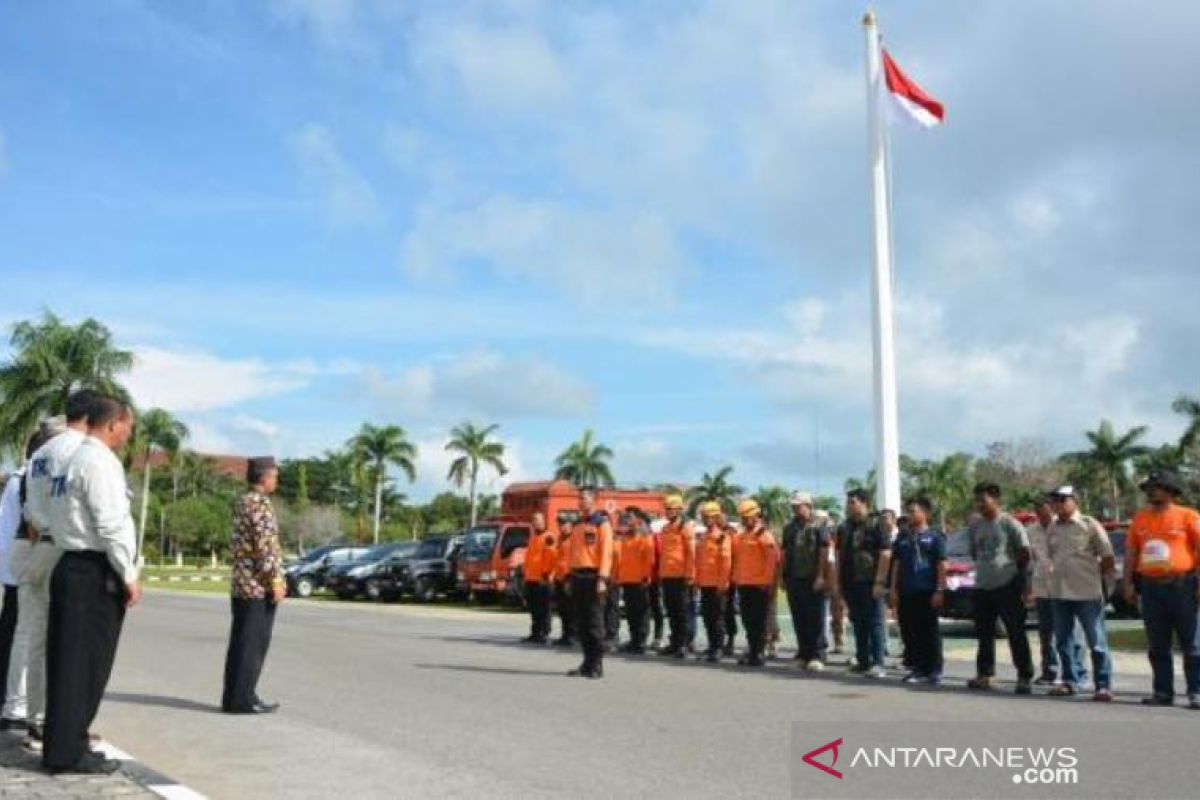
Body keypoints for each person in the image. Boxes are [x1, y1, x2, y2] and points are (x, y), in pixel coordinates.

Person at [43, 397, 140, 775]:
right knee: (84, 665)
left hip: (72, 565)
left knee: (70, 661)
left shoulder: (71, 460)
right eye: (128, 425)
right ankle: (68, 751)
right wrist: (129, 575)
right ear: (113, 424)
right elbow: (111, 523)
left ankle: (66, 743)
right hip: (92, 571)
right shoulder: (99, 462)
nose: (129, 433)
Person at [9, 392, 96, 748]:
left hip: (38, 546)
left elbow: (29, 512)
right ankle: (57, 725)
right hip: (64, 549)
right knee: (65, 643)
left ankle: (35, 720)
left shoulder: (38, 457)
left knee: (34, 639)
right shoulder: (81, 452)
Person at [1121, 471, 1200, 708]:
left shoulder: (1188, 516)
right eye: (1148, 488)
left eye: (1156, 487)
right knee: (1157, 644)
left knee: (1193, 643)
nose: (1151, 492)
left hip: (1183, 585)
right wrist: (1127, 583)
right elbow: (1131, 553)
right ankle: (1162, 692)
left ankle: (1196, 691)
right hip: (1151, 588)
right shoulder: (1140, 519)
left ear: (1170, 490)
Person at [222, 457, 285, 714]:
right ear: (264, 477)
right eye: (275, 476)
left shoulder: (243, 501)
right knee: (253, 644)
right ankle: (243, 698)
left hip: (241, 585)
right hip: (257, 586)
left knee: (240, 643)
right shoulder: (259, 504)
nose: (277, 480)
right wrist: (276, 580)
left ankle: (235, 695)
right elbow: (265, 546)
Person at [1044, 485, 1116, 701]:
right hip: (1059, 592)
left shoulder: (1089, 524)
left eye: (1062, 499)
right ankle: (1069, 681)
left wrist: (1101, 583)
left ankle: (1102, 685)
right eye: (1054, 500)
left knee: (1097, 641)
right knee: (1063, 640)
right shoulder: (1053, 528)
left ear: (1074, 500)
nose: (1057, 503)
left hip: (1087, 593)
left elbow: (1108, 556)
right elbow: (1052, 556)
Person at [966, 482, 1035, 695]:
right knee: (984, 633)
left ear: (996, 499)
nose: (980, 505)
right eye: (977, 501)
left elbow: (1024, 553)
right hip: (982, 586)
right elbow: (975, 553)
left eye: (983, 500)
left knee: (1015, 632)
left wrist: (1018, 580)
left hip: (1007, 585)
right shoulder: (975, 526)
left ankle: (1024, 676)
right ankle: (984, 674)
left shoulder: (1010, 524)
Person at [888, 497, 946, 685]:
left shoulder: (935, 537)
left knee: (930, 631)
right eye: (908, 511)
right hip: (907, 590)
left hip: (927, 590)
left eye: (913, 511)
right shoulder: (903, 537)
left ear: (925, 513)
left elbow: (941, 564)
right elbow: (896, 564)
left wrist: (939, 589)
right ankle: (918, 668)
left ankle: (934, 669)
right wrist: (893, 589)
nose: (910, 515)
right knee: (912, 631)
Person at [837, 489, 893, 678]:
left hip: (871, 581)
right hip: (850, 582)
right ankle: (863, 661)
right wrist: (838, 582)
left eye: (852, 502)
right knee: (858, 622)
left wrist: (880, 581)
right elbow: (839, 556)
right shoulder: (844, 527)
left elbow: (886, 553)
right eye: (848, 502)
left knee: (875, 622)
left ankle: (878, 663)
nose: (849, 505)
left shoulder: (877, 524)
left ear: (863, 503)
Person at [781, 491, 834, 671]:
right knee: (799, 617)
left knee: (815, 618)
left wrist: (821, 576)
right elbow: (785, 553)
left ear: (808, 506)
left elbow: (824, 552)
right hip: (794, 578)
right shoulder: (789, 528)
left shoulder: (819, 526)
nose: (795, 509)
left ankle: (817, 654)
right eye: (793, 506)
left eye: (798, 505)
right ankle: (803, 653)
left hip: (813, 577)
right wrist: (783, 576)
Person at [566, 491, 613, 679]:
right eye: (579, 498)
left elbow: (606, 553)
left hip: (594, 576)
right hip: (578, 576)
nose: (580, 502)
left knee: (594, 623)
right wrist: (569, 577)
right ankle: (586, 663)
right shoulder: (577, 526)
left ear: (594, 501)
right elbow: (573, 554)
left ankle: (597, 664)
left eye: (583, 499)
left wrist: (602, 579)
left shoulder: (602, 524)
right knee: (582, 623)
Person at [731, 499, 780, 667]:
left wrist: (767, 582)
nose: (744, 520)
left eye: (746, 517)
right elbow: (739, 559)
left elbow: (771, 561)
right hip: (744, 584)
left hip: (759, 586)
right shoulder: (742, 535)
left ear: (755, 515)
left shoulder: (764, 535)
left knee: (759, 621)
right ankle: (752, 650)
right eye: (742, 517)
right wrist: (737, 578)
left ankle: (758, 652)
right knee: (747, 620)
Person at [1027, 494, 1068, 685]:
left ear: (1051, 508)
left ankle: (1071, 672)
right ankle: (1049, 671)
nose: (1039, 512)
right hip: (1042, 586)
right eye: (1036, 509)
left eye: (1043, 508)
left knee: (1066, 631)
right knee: (1046, 632)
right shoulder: (1031, 531)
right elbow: (1031, 559)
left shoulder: (1061, 527)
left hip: (1063, 587)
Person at [657, 495, 695, 658]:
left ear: (679, 510)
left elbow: (691, 553)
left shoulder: (685, 527)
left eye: (670, 509)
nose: (667, 512)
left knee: (682, 611)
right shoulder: (665, 528)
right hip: (667, 575)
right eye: (666, 509)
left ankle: (684, 644)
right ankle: (674, 643)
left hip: (681, 576)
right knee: (671, 611)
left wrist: (689, 575)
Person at [695, 502, 733, 662]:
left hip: (717, 585)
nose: (704, 520)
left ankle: (718, 647)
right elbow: (699, 561)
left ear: (715, 517)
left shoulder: (722, 538)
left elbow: (726, 562)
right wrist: (697, 581)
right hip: (705, 584)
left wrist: (723, 583)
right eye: (703, 517)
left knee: (717, 617)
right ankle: (712, 645)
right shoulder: (703, 537)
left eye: (707, 517)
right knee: (707, 617)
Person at [615, 509, 654, 654]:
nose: (628, 522)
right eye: (627, 519)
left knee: (641, 613)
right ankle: (634, 640)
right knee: (631, 613)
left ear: (638, 521)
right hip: (627, 580)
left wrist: (645, 576)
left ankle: (641, 641)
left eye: (631, 519)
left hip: (640, 581)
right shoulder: (625, 538)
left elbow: (649, 560)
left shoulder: (645, 538)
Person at [521, 512, 554, 644]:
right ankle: (535, 632)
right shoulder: (533, 537)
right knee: (534, 608)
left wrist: (546, 574)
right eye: (534, 520)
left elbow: (551, 557)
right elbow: (529, 558)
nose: (536, 523)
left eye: (539, 520)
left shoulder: (549, 537)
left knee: (544, 608)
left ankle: (544, 633)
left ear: (544, 522)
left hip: (543, 579)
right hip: (531, 579)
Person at [551, 514, 577, 647]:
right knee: (562, 609)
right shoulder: (560, 538)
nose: (562, 526)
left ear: (570, 525)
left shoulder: (575, 538)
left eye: (564, 524)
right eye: (560, 524)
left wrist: (570, 577)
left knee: (571, 609)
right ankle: (565, 634)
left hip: (569, 578)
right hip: (559, 577)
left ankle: (573, 635)